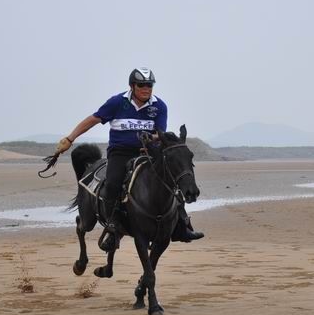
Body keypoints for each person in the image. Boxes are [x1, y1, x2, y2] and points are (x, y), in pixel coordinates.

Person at [55, 67, 204, 252]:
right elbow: (92, 119)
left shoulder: (159, 106)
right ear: (132, 86)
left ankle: (182, 225)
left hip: (146, 152)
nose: (146, 88)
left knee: (171, 178)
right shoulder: (117, 102)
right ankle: (112, 227)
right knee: (112, 185)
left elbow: (160, 134)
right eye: (142, 84)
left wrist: (151, 139)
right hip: (120, 152)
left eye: (149, 85)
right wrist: (70, 139)